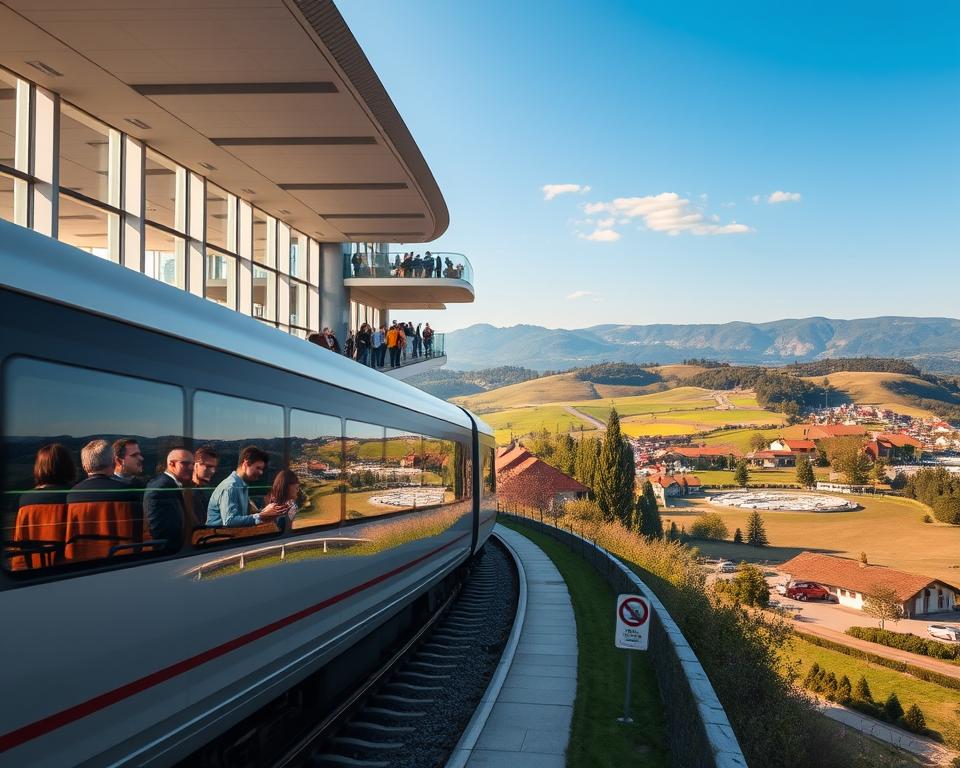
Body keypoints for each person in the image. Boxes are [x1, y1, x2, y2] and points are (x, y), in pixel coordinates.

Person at [12, 443, 76, 568]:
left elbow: (20, 543)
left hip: (35, 570)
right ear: (68, 467)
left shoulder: (25, 500)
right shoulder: (74, 497)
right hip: (69, 569)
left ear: (38, 467)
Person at [206, 445, 286, 528]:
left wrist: (266, 511)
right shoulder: (231, 487)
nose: (261, 472)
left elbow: (242, 517)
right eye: (258, 468)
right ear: (245, 464)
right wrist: (262, 516)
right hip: (218, 536)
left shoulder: (240, 485)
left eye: (262, 469)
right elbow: (229, 521)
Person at [143, 448, 194, 551]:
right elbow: (159, 530)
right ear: (171, 464)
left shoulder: (170, 485)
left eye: (192, 464)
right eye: (185, 463)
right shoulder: (162, 488)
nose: (191, 467)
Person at [188, 445, 219, 526]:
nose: (213, 471)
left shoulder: (199, 491)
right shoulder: (189, 493)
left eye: (214, 467)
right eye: (208, 466)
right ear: (195, 465)